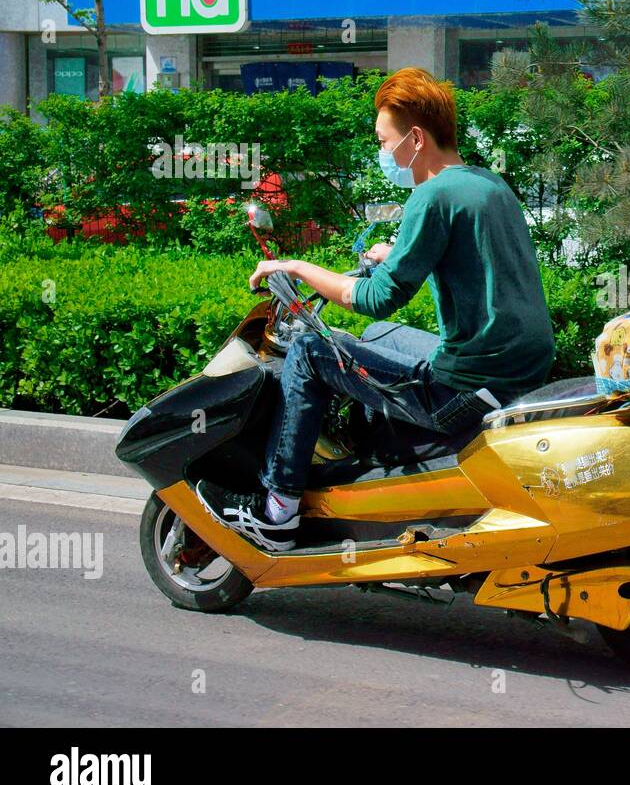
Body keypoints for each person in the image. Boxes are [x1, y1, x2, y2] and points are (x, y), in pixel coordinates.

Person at [198, 68, 555, 551]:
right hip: (518, 370)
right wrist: (399, 252)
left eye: (384, 142)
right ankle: (372, 466)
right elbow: (470, 259)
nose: (383, 153)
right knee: (383, 335)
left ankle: (276, 511)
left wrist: (297, 265)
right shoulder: (485, 184)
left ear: (415, 137)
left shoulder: (432, 196)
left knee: (310, 351)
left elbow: (373, 298)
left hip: (464, 392)